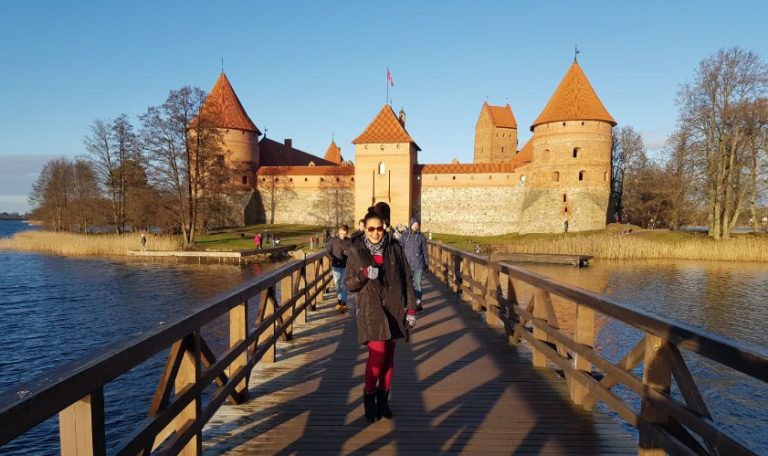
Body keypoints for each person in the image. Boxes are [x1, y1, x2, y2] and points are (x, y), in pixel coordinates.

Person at [346, 208, 417, 422]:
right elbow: (349, 284)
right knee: (377, 356)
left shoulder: (394, 247)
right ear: (364, 229)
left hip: (394, 308)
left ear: (384, 227)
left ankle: (383, 400)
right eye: (371, 229)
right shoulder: (357, 251)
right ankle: (369, 396)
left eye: (379, 228)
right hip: (371, 309)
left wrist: (411, 309)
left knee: (388, 359)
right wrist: (364, 275)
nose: (376, 232)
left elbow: (407, 278)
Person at [401, 217, 428, 312]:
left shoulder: (421, 237)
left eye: (417, 225)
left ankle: (417, 302)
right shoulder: (404, 236)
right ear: (410, 225)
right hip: (407, 264)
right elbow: (400, 249)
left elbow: (424, 251)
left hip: (418, 264)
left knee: (417, 284)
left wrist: (426, 263)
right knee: (406, 283)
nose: (415, 227)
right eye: (414, 225)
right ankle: (406, 302)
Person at [326, 224, 352, 313]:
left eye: (344, 234)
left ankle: (344, 304)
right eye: (341, 233)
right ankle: (339, 300)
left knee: (344, 284)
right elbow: (327, 252)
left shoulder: (349, 241)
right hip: (335, 266)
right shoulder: (333, 240)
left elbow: (352, 252)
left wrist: (348, 254)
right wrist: (333, 259)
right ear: (339, 232)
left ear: (346, 233)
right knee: (337, 285)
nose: (342, 236)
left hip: (345, 266)